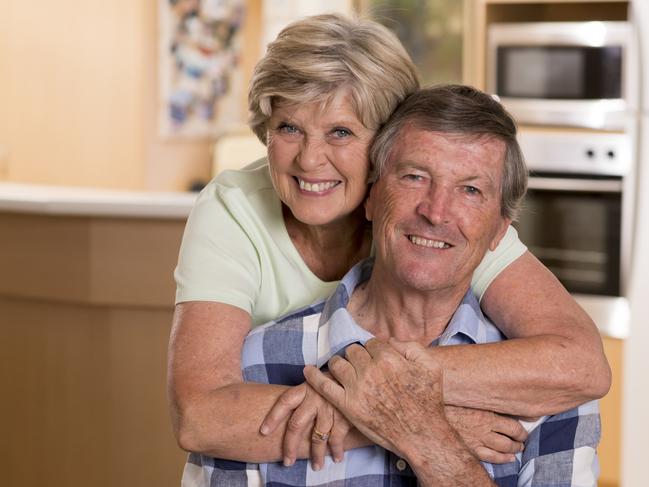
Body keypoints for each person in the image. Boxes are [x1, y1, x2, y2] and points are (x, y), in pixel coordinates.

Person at [168, 13, 609, 470]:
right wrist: (408, 420)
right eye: (288, 128)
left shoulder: (431, 220)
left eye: (340, 132)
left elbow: (579, 363)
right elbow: (200, 418)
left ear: (386, 144)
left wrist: (392, 392)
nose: (310, 158)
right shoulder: (234, 208)